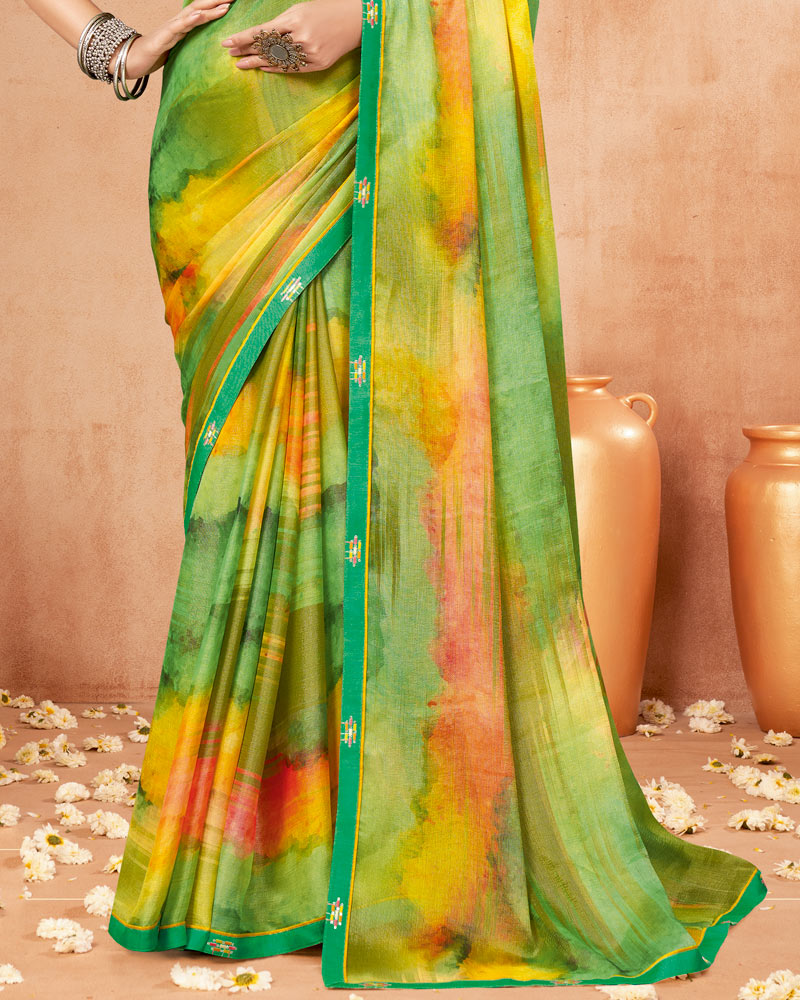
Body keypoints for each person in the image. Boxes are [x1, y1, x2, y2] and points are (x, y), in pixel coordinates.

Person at [23, 0, 767, 990]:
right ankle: (264, 859)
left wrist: (363, 14)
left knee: (401, 488)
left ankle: (377, 850)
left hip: (371, 106)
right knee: (271, 496)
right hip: (241, 151)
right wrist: (114, 45)